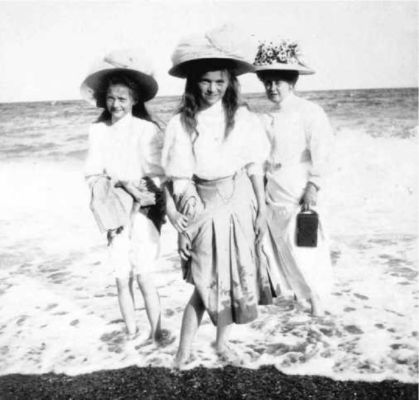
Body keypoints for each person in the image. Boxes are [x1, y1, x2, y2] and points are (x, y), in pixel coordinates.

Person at [162, 26, 272, 368]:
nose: (212, 88)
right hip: (203, 201)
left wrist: (262, 210)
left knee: (233, 276)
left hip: (239, 198)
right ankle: (182, 352)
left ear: (230, 82)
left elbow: (254, 166)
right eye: (206, 81)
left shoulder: (242, 116)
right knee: (204, 281)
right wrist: (182, 227)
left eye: (220, 81)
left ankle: (222, 344)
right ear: (194, 83)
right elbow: (179, 179)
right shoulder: (181, 122)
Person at [81, 49, 168, 342]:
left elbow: (158, 173)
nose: (115, 104)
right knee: (121, 275)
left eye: (122, 98)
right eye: (110, 98)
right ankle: (131, 334)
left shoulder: (146, 129)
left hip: (143, 207)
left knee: (144, 274)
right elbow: (92, 173)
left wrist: (140, 190)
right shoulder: (97, 130)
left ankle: (157, 333)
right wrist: (120, 184)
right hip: (113, 206)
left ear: (134, 100)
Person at [254, 39, 334, 316]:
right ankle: (303, 300)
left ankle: (318, 304)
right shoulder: (264, 116)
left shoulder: (309, 111)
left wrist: (314, 185)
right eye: (267, 82)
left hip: (300, 187)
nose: (272, 88)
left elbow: (323, 152)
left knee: (306, 244)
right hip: (274, 188)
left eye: (278, 82)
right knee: (282, 246)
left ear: (292, 82)